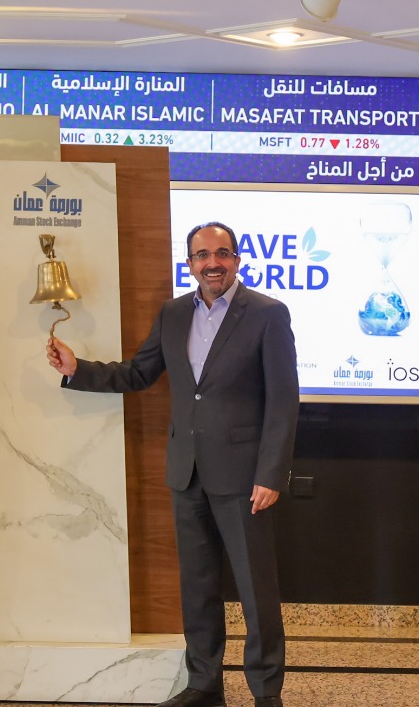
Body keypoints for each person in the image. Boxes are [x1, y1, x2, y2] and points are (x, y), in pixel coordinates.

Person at [46, 222, 299, 707]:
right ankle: (204, 684)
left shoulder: (267, 314)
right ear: (190, 264)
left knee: (256, 592)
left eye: (222, 253)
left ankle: (267, 693)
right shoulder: (174, 313)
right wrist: (78, 370)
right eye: (202, 255)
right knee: (197, 588)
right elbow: (139, 373)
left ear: (237, 260)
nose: (212, 263)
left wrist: (271, 473)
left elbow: (284, 401)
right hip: (187, 473)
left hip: (245, 478)